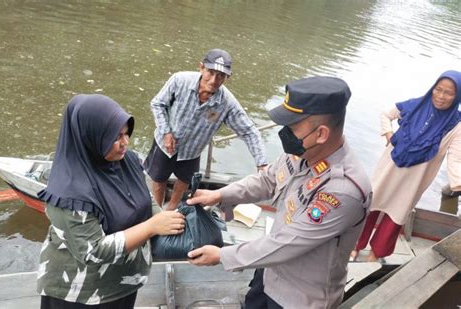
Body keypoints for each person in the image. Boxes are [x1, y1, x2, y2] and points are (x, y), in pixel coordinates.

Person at [186, 76, 371, 308]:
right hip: (268, 271)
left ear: (321, 133)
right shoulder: (304, 150)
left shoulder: (343, 190)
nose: (285, 133)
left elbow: (288, 243)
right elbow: (268, 179)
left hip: (299, 296)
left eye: (293, 127)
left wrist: (223, 256)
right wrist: (222, 195)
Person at [36, 94, 185, 308]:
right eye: (115, 137)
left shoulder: (127, 161)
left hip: (123, 281)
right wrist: (152, 227)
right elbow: (94, 251)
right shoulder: (69, 193)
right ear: (92, 138)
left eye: (126, 133)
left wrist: (164, 218)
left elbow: (146, 198)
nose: (125, 143)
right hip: (83, 292)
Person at [351, 70, 461, 262]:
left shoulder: (456, 126)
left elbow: (455, 159)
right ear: (432, 88)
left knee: (396, 214)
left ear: (457, 96)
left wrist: (458, 184)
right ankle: (354, 245)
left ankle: (375, 255)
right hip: (389, 167)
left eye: (449, 93)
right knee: (371, 204)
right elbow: (386, 114)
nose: (441, 96)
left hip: (415, 178)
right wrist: (388, 134)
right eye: (438, 89)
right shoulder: (416, 105)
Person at [145, 48, 268, 210]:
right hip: (165, 144)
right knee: (159, 180)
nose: (214, 80)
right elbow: (157, 104)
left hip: (192, 152)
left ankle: (172, 208)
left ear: (227, 77)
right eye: (210, 72)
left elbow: (249, 131)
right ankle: (158, 212)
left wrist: (262, 164)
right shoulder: (179, 80)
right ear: (201, 67)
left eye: (221, 76)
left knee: (183, 181)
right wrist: (165, 131)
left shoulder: (227, 103)